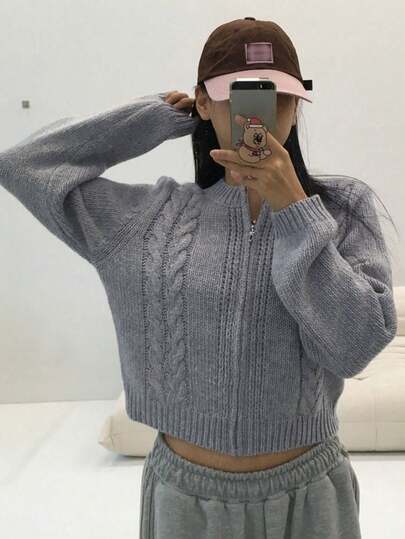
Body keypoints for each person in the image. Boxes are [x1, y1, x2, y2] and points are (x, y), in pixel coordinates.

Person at [0, 16, 397, 539]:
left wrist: (295, 211)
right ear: (204, 103)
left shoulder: (342, 210)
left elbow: (357, 346)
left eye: (278, 95)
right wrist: (156, 119)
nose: (261, 111)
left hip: (310, 497)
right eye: (239, 94)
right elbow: (24, 166)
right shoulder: (147, 218)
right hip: (187, 502)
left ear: (298, 104)